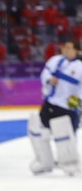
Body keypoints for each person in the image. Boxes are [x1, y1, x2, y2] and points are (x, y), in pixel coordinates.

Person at [29, 40, 82, 174]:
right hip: (50, 102)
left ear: (77, 50)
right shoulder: (55, 60)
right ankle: (44, 161)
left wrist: (78, 100)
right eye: (64, 47)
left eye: (69, 48)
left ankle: (69, 162)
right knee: (39, 131)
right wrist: (49, 80)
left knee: (66, 134)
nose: (66, 50)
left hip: (68, 106)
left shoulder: (80, 66)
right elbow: (45, 73)